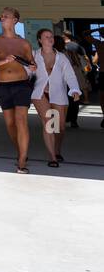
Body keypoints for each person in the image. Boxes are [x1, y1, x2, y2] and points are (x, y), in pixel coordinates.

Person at [0, 6, 36, 174]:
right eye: (1, 16)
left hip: (21, 85)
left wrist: (33, 67)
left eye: (6, 16)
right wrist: (4, 61)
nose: (2, 18)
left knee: (21, 121)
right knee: (10, 124)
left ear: (15, 20)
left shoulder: (24, 43)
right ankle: (21, 151)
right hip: (2, 86)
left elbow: (32, 64)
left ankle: (22, 161)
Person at [32, 28, 83, 168]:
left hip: (59, 93)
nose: (50, 39)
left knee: (59, 126)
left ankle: (57, 149)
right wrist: (29, 71)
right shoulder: (34, 55)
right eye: (46, 37)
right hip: (40, 93)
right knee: (49, 121)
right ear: (39, 40)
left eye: (51, 36)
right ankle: (52, 157)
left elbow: (70, 75)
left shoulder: (61, 57)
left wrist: (74, 90)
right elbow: (25, 73)